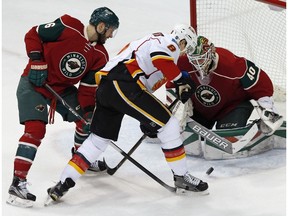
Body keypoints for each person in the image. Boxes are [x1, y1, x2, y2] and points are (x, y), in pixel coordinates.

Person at [46, 24, 209, 202]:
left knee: (97, 140)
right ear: (182, 40)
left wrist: (147, 120)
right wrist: (180, 80)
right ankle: (182, 176)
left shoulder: (153, 42)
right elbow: (160, 59)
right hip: (124, 83)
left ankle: (62, 183)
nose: (185, 52)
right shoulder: (169, 43)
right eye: (188, 47)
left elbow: (146, 84)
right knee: (169, 125)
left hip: (108, 88)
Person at [7, 7, 119, 207]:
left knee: (87, 123)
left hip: (61, 90)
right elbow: (33, 33)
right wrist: (36, 60)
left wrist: (87, 111)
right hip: (34, 85)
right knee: (35, 130)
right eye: (111, 30)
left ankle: (83, 157)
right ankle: (17, 184)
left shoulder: (100, 55)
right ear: (101, 26)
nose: (111, 35)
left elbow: (86, 89)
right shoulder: (68, 25)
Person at [166, 34, 284, 140]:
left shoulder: (231, 64)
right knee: (184, 133)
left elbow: (259, 81)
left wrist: (268, 107)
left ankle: (257, 127)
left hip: (231, 107)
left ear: (210, 54)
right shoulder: (182, 62)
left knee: (227, 137)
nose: (197, 64)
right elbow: (171, 85)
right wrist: (176, 108)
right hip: (200, 109)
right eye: (193, 60)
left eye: (201, 59)